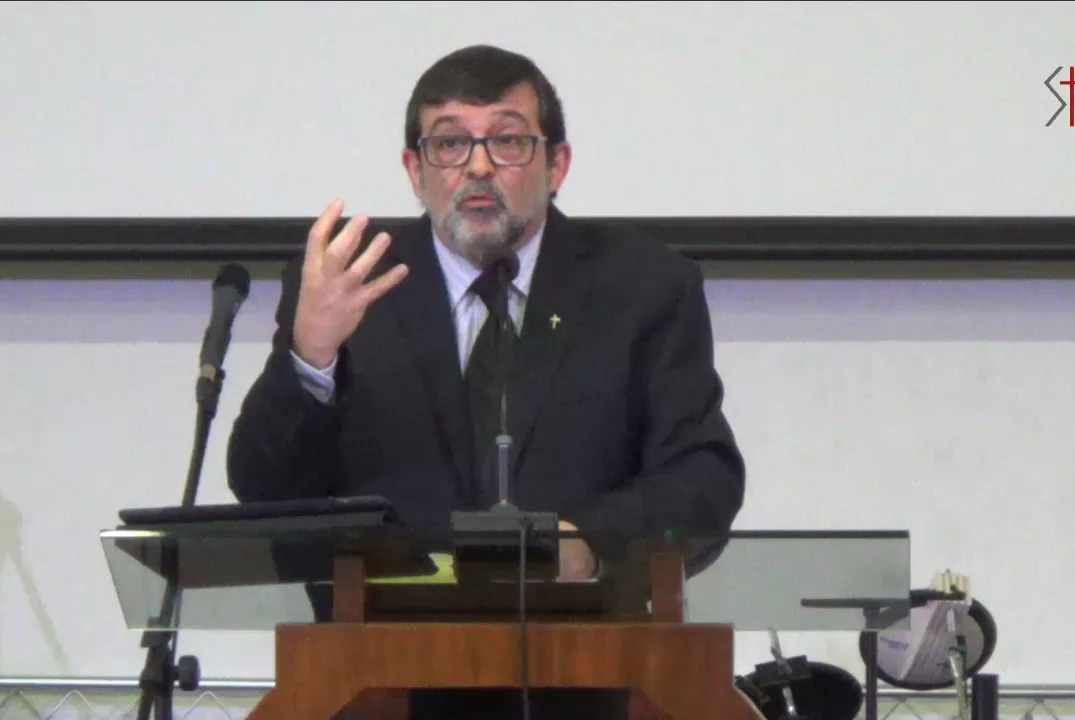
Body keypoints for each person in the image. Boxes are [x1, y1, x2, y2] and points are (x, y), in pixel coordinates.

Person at [226, 44, 746, 719]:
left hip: (591, 682)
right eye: (449, 144)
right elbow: (265, 491)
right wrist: (311, 354)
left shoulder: (645, 287)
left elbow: (702, 478)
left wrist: (587, 541)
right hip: (379, 685)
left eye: (507, 141)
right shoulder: (348, 285)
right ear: (414, 170)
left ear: (557, 164)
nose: (477, 166)